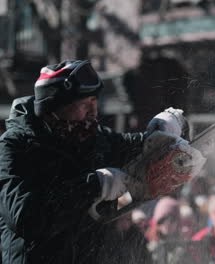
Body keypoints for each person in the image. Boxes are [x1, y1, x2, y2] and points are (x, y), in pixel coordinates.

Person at [0, 60, 194, 264]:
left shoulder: (94, 139)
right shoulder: (15, 147)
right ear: (55, 107)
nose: (93, 112)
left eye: (94, 102)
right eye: (84, 105)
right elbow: (26, 217)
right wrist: (95, 185)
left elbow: (133, 146)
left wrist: (163, 130)